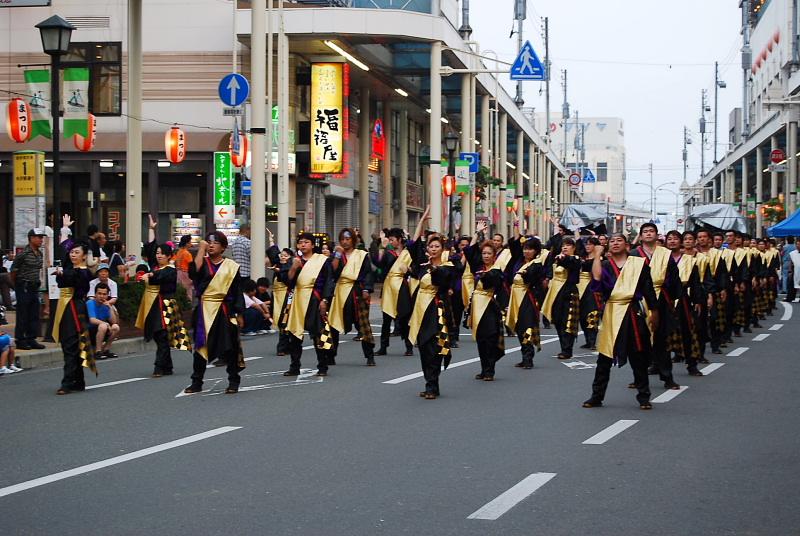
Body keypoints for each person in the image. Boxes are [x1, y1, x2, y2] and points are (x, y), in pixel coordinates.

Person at [583, 233, 659, 410]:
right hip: (612, 313)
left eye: (619, 241)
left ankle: (644, 396)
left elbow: (648, 289)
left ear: (626, 245)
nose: (615, 243)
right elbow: (596, 279)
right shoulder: (605, 265)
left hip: (633, 312)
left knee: (638, 356)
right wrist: (597, 255)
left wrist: (654, 311)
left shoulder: (638, 264)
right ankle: (597, 396)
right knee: (604, 357)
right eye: (612, 241)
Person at [183, 231, 245, 395]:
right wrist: (200, 250)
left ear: (223, 247)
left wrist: (239, 313)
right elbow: (193, 274)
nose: (211, 245)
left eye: (215, 242)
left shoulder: (231, 266)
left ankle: (233, 380)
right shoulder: (202, 263)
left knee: (230, 346)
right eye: (209, 242)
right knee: (200, 346)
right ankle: (196, 381)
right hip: (204, 310)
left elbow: (237, 290)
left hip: (224, 310)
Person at [630, 222, 681, 390]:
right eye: (645, 231)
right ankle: (639, 378)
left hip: (661, 299)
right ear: (641, 235)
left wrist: (673, 299)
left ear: (657, 235)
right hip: (639, 300)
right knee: (639, 340)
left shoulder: (665, 254)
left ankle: (667, 376)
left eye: (652, 231)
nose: (649, 234)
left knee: (661, 340)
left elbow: (674, 279)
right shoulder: (633, 255)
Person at [408, 233, 455, 399]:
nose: (433, 249)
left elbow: (444, 279)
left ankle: (432, 385)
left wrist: (434, 268)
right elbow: (412, 245)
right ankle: (431, 384)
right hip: (420, 309)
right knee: (423, 346)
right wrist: (420, 222)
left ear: (442, 249)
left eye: (437, 247)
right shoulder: (423, 265)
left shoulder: (447, 266)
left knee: (434, 347)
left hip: (436, 309)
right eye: (431, 246)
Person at [53, 222, 97, 395]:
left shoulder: (84, 271)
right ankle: (78, 381)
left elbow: (72, 277)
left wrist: (62, 274)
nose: (72, 254)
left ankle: (68, 382)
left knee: (71, 344)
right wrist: (65, 229)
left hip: (75, 307)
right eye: (72, 252)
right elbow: (65, 246)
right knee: (70, 344)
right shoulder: (71, 265)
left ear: (84, 256)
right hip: (65, 307)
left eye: (77, 252)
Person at [136, 242, 191, 377]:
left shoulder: (170, 270)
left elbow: (160, 277)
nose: (158, 256)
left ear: (168, 256)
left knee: (162, 335)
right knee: (159, 335)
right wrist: (152, 230)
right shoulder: (155, 268)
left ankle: (159, 366)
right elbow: (149, 250)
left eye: (162, 253)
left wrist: (149, 276)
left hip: (166, 304)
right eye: (157, 253)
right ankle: (167, 366)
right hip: (154, 304)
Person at [283, 232, 334, 377]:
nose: (303, 245)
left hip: (315, 299)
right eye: (300, 242)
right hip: (297, 299)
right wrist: (293, 268)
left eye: (306, 242)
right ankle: (294, 366)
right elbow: (286, 281)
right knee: (294, 334)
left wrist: (325, 300)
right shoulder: (294, 261)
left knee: (319, 334)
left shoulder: (322, 260)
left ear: (312, 245)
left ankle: (322, 366)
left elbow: (329, 281)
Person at [375, 220, 427, 357]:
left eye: (392, 239)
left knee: (404, 317)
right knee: (386, 318)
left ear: (399, 240)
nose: (391, 242)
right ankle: (383, 346)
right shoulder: (388, 252)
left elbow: (417, 270)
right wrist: (382, 246)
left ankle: (408, 345)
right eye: (390, 239)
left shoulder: (408, 253)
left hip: (402, 285)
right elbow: (379, 264)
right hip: (388, 286)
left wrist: (409, 269)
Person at [327, 228, 377, 366]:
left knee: (363, 325)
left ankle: (369, 355)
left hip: (357, 291)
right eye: (342, 239)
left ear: (353, 240)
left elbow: (368, 273)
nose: (345, 242)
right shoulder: (337, 255)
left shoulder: (361, 255)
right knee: (333, 324)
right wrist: (337, 255)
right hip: (340, 292)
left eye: (348, 239)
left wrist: (367, 289)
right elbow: (332, 272)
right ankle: (331, 354)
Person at [464, 221, 506, 381]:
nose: (486, 256)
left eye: (489, 253)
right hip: (476, 306)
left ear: (494, 255)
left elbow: (494, 282)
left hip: (489, 306)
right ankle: (484, 368)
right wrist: (477, 233)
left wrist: (484, 274)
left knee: (489, 338)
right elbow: (469, 251)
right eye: (484, 253)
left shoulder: (496, 270)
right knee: (480, 339)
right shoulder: (479, 267)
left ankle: (490, 370)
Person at [506, 234, 546, 369]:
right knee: (518, 327)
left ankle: (528, 357)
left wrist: (525, 275)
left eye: (530, 249)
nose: (526, 251)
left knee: (526, 326)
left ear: (536, 251)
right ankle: (524, 356)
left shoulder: (537, 264)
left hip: (527, 297)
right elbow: (514, 246)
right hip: (515, 296)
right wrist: (517, 229)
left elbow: (532, 279)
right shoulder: (518, 261)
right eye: (525, 248)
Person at [541, 237, 581, 360]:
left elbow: (571, 263)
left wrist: (563, 259)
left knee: (567, 321)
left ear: (573, 248)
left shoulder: (576, 259)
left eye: (568, 245)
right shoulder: (557, 258)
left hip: (569, 293)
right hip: (556, 293)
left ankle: (567, 349)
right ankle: (564, 347)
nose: (565, 247)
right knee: (557, 321)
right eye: (563, 245)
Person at [11, 228, 46, 350]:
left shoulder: (40, 253)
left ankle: (31, 338)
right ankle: (20, 339)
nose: (41, 240)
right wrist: (17, 285)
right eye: (39, 237)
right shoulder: (23, 254)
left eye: (42, 237)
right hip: (23, 286)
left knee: (34, 313)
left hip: (34, 286)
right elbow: (14, 271)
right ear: (31, 238)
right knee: (23, 313)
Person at [697, 229, 727, 354]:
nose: (702, 239)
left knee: (714, 318)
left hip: (713, 289)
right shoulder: (692, 254)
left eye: (705, 236)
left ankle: (715, 345)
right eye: (700, 237)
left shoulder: (717, 254)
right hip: (696, 290)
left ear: (709, 239)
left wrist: (723, 288)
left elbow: (722, 272)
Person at [579, 236, 603, 350]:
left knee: (592, 314)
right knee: (582, 316)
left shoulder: (600, 259)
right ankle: (588, 340)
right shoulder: (581, 257)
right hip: (580, 288)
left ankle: (592, 340)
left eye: (590, 244)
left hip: (592, 288)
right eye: (586, 244)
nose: (587, 246)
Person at [87, 283, 120, 359]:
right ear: (95, 294)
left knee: (116, 327)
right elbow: (92, 320)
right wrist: (106, 324)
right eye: (99, 293)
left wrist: (110, 307)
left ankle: (106, 350)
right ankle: (98, 352)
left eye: (104, 294)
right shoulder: (90, 303)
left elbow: (114, 321)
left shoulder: (106, 304)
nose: (101, 296)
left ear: (107, 295)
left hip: (103, 330)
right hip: (89, 332)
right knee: (103, 326)